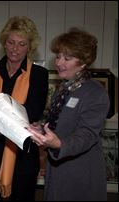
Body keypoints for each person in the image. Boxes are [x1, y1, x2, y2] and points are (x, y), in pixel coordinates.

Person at [0, 16, 48, 201]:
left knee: (21, 195)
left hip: (21, 150)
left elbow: (33, 111)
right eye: (11, 42)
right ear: (4, 43)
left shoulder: (39, 74)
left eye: (22, 44)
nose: (15, 49)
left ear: (30, 47)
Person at [28, 27, 110, 201]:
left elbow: (87, 134)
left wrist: (59, 144)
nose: (59, 62)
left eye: (67, 58)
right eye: (58, 56)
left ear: (83, 61)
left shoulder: (96, 93)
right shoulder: (63, 89)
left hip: (80, 171)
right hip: (57, 168)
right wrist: (42, 128)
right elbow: (59, 123)